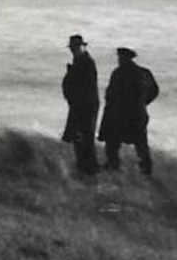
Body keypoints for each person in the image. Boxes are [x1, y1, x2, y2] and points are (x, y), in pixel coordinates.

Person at [99, 47, 160, 175]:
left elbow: (111, 95)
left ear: (125, 58)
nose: (119, 60)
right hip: (138, 115)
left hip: (122, 115)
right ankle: (146, 169)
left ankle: (113, 164)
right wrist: (143, 103)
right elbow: (154, 91)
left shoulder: (119, 73)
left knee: (113, 141)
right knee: (141, 143)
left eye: (120, 58)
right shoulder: (144, 72)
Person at [61, 33, 100, 175]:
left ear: (81, 47)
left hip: (85, 106)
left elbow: (85, 86)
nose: (72, 49)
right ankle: (85, 167)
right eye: (72, 47)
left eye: (75, 47)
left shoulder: (86, 62)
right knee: (79, 137)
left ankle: (89, 168)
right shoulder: (81, 61)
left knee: (85, 137)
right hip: (80, 105)